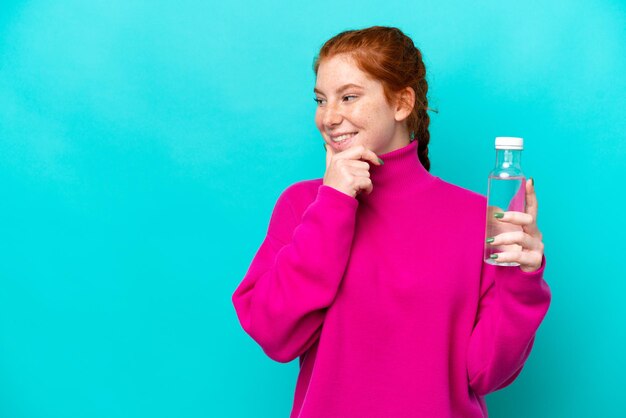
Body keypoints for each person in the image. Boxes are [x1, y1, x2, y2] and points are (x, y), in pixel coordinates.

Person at [231, 26, 551, 418]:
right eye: (320, 99)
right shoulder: (304, 205)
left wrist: (522, 281)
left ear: (401, 103)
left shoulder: (477, 219)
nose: (329, 117)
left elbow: (485, 372)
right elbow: (274, 333)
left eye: (348, 97)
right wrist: (333, 204)